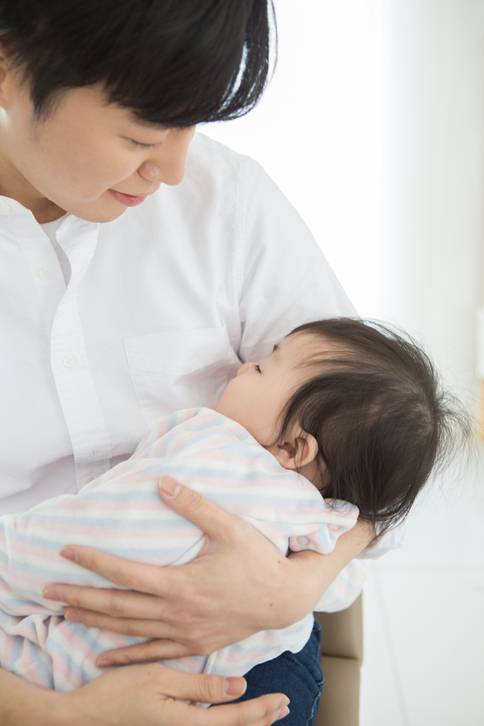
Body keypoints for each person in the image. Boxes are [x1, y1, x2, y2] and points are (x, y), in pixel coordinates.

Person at [0, 1, 387, 724]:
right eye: (142, 132)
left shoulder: (227, 202)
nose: (175, 169)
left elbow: (386, 443)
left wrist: (294, 587)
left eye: (192, 123)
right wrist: (52, 715)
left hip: (242, 649)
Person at [0, 318, 466, 694]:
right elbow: (346, 580)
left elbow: (82, 542)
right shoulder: (325, 521)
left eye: (261, 369)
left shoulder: (215, 473)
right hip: (211, 682)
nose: (243, 368)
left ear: (292, 450)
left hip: (73, 665)